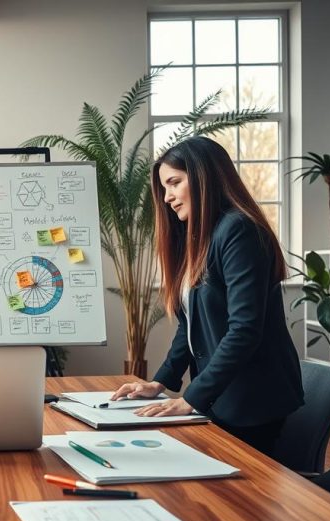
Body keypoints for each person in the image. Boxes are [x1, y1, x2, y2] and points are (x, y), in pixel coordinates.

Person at [111, 136, 304, 454]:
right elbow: (190, 325)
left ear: (203, 176)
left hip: (250, 403)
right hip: (220, 397)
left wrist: (190, 398)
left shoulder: (238, 230)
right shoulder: (202, 236)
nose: (168, 197)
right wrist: (160, 382)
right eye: (164, 188)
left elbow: (244, 330)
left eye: (174, 183)